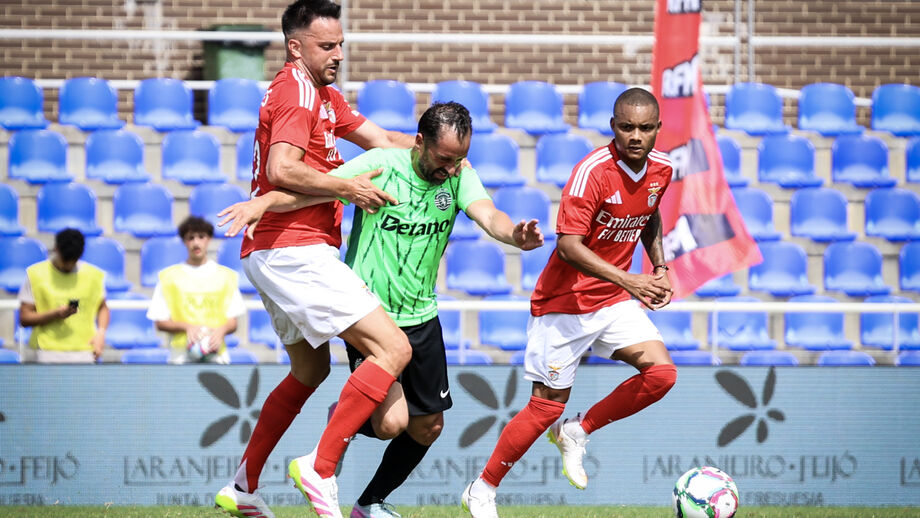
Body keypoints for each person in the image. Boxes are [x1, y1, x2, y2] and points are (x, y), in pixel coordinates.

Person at [219, 101, 544, 518]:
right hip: (371, 312)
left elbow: (489, 215)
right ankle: (330, 447)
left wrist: (514, 234)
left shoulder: (459, 176)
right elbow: (316, 190)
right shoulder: (381, 164)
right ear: (420, 142)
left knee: (428, 426)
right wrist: (264, 203)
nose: (450, 168)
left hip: (422, 315)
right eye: (443, 158)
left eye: (459, 159)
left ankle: (369, 502)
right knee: (391, 424)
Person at [214, 1, 419, 517]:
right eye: (327, 46)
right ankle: (320, 468)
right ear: (295, 47)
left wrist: (438, 151)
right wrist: (347, 187)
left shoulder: (324, 94)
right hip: (293, 248)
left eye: (341, 44)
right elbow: (282, 169)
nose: (338, 54)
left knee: (309, 370)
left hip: (277, 249)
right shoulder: (296, 91)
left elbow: (382, 141)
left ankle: (242, 487)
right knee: (393, 348)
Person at [460, 88, 679, 518]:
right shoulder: (591, 173)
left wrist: (660, 266)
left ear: (658, 128)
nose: (635, 136)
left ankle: (578, 430)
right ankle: (482, 489)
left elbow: (649, 213)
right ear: (613, 127)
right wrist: (630, 280)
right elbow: (567, 247)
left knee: (662, 375)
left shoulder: (663, 169)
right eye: (626, 127)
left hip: (612, 300)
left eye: (644, 128)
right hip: (565, 303)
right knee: (545, 407)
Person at [145, 216, 245, 364]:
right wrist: (186, 327)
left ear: (209, 239)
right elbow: (160, 322)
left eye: (201, 237)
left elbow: (233, 321)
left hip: (216, 353)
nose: (196, 243)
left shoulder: (226, 277)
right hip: (180, 356)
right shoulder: (168, 277)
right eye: (190, 238)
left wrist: (221, 330)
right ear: (184, 241)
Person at [17, 228, 109, 364]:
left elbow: (103, 307)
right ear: (56, 249)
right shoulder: (35, 274)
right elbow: (24, 318)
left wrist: (101, 332)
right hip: (46, 352)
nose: (69, 265)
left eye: (73, 260)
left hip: (85, 352)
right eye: (65, 260)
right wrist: (55, 314)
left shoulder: (95, 276)